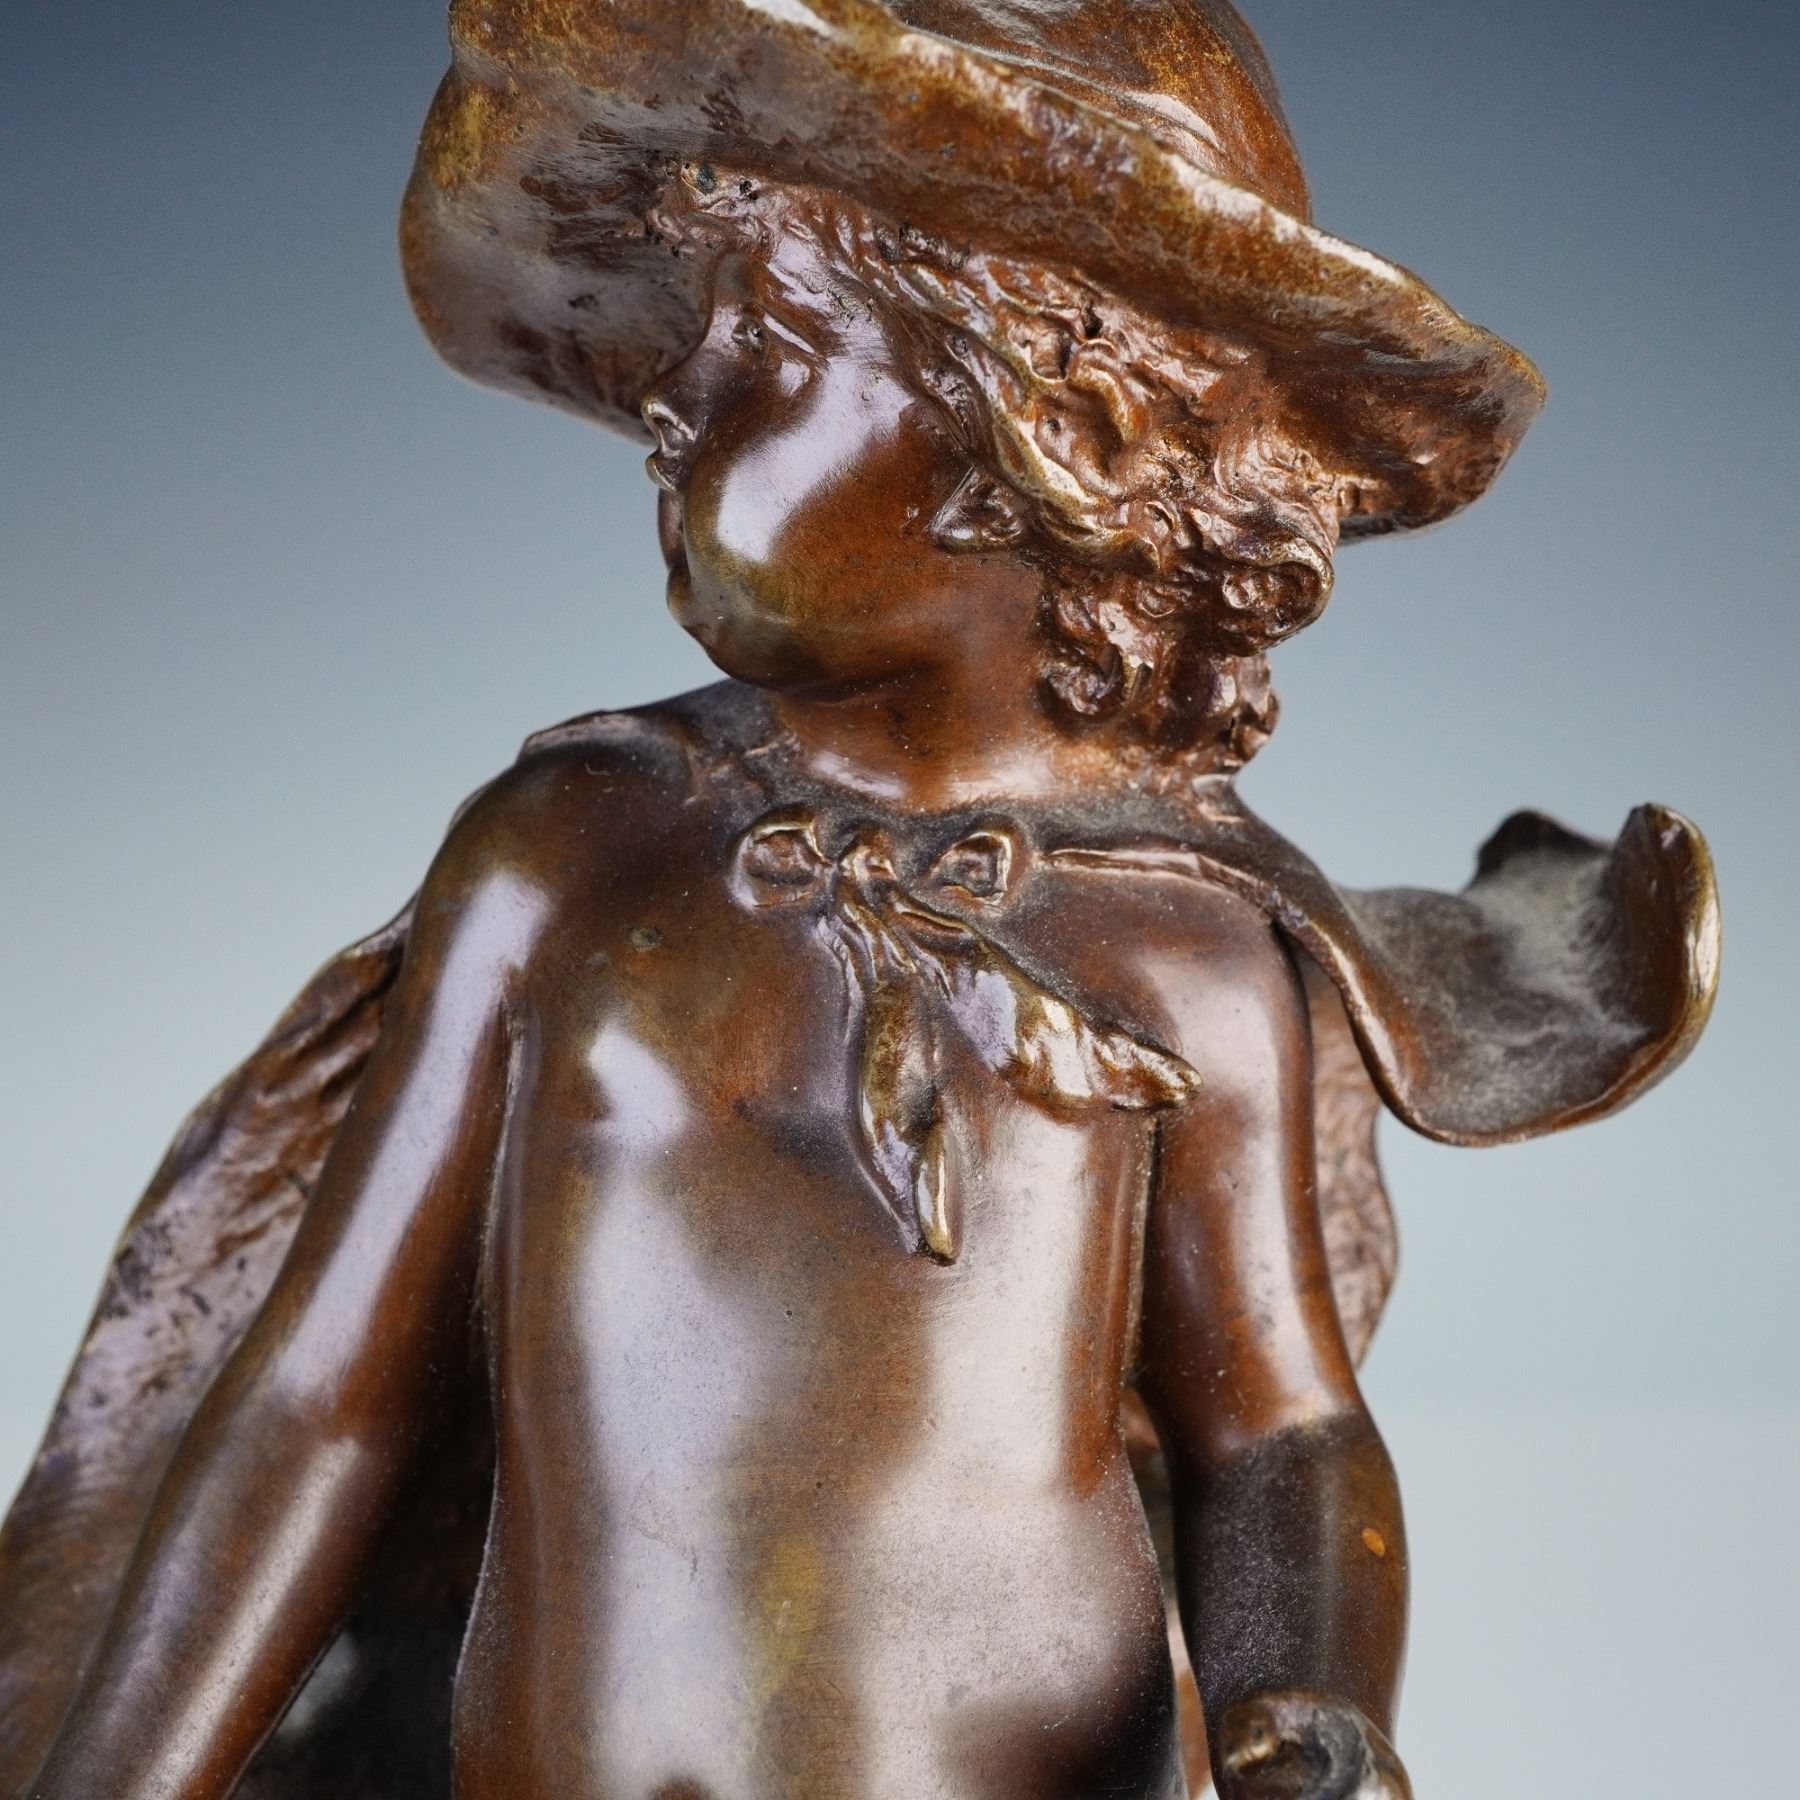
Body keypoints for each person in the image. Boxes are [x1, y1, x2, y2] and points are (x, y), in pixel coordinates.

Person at [2, 5, 1716, 1798]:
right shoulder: (563, 861)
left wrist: (1315, 1703)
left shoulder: (1190, 956)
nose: (675, 399)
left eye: (767, 339)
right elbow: (320, 1400)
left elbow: (1281, 1433)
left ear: (1057, 436)